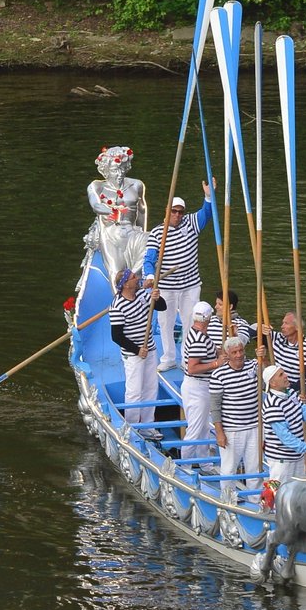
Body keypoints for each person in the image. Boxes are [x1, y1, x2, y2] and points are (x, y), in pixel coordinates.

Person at [142, 181, 215, 370]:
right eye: (174, 211)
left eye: (180, 212)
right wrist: (150, 276)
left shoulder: (190, 223)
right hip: (167, 286)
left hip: (190, 285)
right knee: (165, 322)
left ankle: (186, 358)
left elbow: (206, 214)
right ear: (167, 211)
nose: (177, 215)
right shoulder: (158, 233)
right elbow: (149, 259)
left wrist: (208, 196)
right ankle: (168, 358)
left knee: (190, 321)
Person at [109, 267, 167, 439]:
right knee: (134, 391)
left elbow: (162, 307)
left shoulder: (143, 294)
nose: (137, 278)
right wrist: (137, 350)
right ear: (126, 284)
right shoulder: (117, 305)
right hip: (133, 354)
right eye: (134, 277)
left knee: (150, 386)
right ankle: (133, 428)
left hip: (150, 348)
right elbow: (116, 336)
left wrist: (157, 297)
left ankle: (147, 426)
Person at [209, 335, 265, 498]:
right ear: (228, 354)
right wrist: (219, 432)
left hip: (254, 426)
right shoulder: (219, 375)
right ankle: (227, 498)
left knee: (255, 467)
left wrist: (263, 358)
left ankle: (255, 500)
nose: (239, 355)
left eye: (241, 351)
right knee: (229, 468)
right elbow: (215, 407)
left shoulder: (254, 365)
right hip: (232, 429)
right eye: (235, 352)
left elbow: (269, 374)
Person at [85, 144, 148, 280]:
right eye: (114, 170)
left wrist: (142, 232)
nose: (119, 174)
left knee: (152, 243)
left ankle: (136, 290)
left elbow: (142, 211)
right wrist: (112, 210)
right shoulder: (97, 186)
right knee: (116, 274)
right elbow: (96, 205)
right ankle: (119, 299)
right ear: (106, 170)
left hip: (132, 232)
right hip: (110, 234)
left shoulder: (137, 185)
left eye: (122, 169)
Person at [179, 302, 227, 462]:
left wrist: (217, 352)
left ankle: (204, 464)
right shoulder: (199, 339)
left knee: (204, 427)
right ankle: (185, 466)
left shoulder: (195, 333)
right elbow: (193, 368)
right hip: (197, 387)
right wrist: (216, 364)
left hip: (198, 386)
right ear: (208, 318)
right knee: (195, 428)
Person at [262, 364, 306, 485]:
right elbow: (285, 436)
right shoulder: (272, 404)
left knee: (297, 491)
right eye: (281, 375)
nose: (286, 376)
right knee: (278, 494)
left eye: (284, 372)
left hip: (296, 456)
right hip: (281, 460)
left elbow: (302, 410)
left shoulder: (290, 393)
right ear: (273, 383)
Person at [263, 311, 306, 393]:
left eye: (286, 323)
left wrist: (289, 390)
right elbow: (252, 331)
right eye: (283, 323)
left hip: (293, 391)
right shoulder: (277, 338)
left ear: (297, 327)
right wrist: (262, 328)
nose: (282, 326)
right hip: (274, 387)